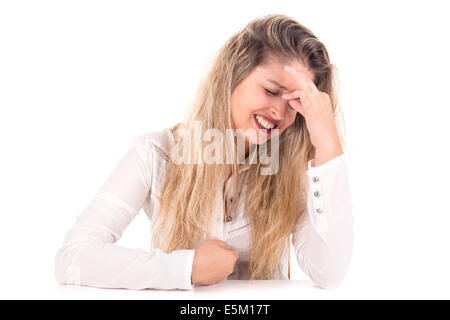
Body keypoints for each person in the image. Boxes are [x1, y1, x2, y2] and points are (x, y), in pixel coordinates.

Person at [54, 13, 353, 290]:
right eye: (272, 91)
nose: (279, 111)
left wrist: (328, 143)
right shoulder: (156, 154)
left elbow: (329, 275)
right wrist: (185, 268)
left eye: (295, 103)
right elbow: (72, 257)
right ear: (233, 76)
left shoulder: (299, 171)